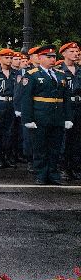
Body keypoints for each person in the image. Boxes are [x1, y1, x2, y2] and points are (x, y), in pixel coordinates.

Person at [19, 44, 72, 185]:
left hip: (57, 117)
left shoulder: (61, 75)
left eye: (53, 56)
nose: (52, 59)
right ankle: (41, 174)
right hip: (40, 116)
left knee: (55, 148)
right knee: (40, 147)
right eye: (48, 57)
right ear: (40, 58)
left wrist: (68, 118)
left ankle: (53, 174)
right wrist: (28, 119)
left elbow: (66, 99)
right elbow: (26, 99)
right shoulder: (32, 75)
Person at [61, 41, 81, 180]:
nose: (76, 54)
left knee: (77, 139)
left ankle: (75, 167)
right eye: (72, 51)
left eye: (77, 51)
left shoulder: (79, 70)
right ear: (64, 53)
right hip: (65, 107)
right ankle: (63, 168)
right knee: (64, 139)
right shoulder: (58, 70)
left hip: (79, 106)